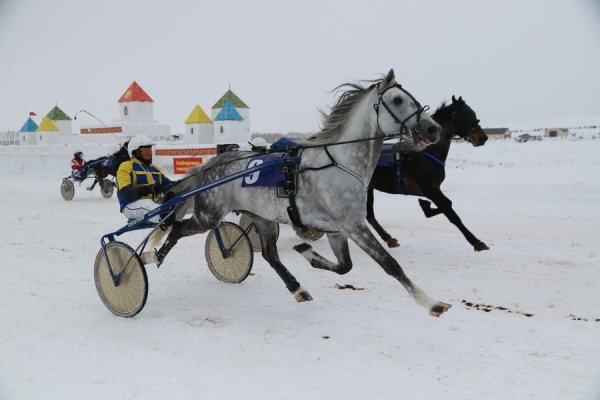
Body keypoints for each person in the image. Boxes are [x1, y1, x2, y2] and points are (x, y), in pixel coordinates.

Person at [116, 135, 172, 224]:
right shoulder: (126, 166)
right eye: (145, 151)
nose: (149, 153)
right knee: (147, 204)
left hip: (155, 202)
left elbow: (169, 185)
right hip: (131, 205)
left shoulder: (155, 168)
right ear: (135, 152)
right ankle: (166, 217)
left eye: (150, 150)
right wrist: (149, 189)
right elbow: (126, 193)